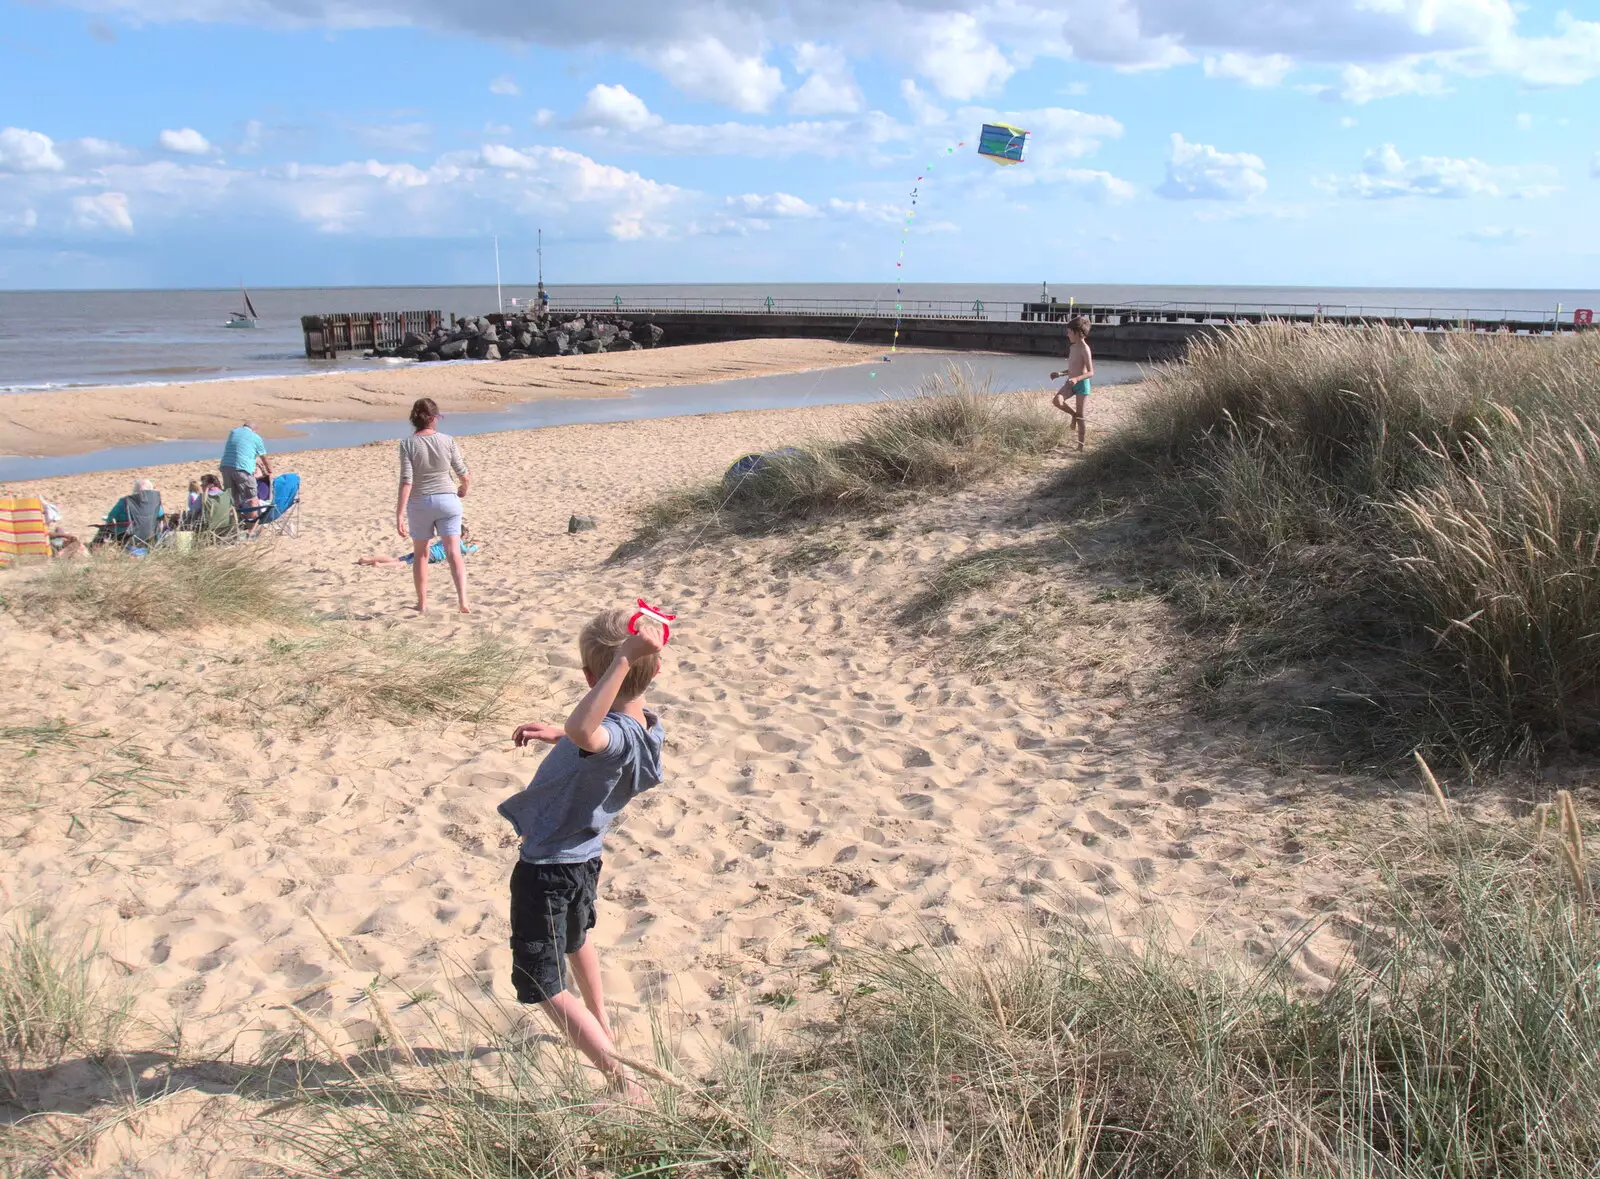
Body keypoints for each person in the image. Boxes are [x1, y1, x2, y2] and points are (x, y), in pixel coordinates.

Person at [498, 608, 667, 1099]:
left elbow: (586, 732)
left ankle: (622, 1080)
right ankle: (602, 1023)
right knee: (576, 939)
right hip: (584, 860)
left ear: (592, 678)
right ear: (656, 671)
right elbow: (589, 737)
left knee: (540, 977)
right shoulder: (646, 727)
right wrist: (562, 736)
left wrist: (617, 664)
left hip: (548, 869)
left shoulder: (602, 736)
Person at [396, 397, 471, 613]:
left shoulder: (408, 444)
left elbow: (407, 481)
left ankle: (422, 603)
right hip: (448, 500)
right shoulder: (447, 440)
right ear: (435, 417)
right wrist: (463, 488)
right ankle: (463, 601)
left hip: (420, 502)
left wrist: (399, 514)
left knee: (421, 553)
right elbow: (462, 472)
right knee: (454, 552)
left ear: (414, 419)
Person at [1049, 315, 1095, 452]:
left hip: (1082, 384)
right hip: (1070, 382)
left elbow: (1091, 372)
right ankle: (1073, 415)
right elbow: (1071, 369)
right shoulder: (1073, 348)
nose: (1067, 334)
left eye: (1069, 332)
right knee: (1057, 400)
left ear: (1077, 332)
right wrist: (1060, 374)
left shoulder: (1085, 349)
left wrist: (1077, 379)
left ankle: (1080, 446)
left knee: (1081, 416)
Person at [357, 525, 477, 566]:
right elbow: (466, 551)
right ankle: (380, 565)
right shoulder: (458, 542)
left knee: (397, 558)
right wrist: (475, 546)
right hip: (432, 555)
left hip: (427, 549)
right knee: (404, 563)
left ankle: (368, 559)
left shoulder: (445, 538)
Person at [220, 422, 271, 512]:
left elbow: (239, 449)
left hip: (225, 467)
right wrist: (269, 471)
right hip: (243, 469)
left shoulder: (233, 432)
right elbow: (264, 458)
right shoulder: (256, 437)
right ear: (254, 430)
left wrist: (254, 459)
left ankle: (236, 520)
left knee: (233, 497)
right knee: (251, 498)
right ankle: (251, 524)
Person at [100, 479, 164, 547]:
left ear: (134, 490)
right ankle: (157, 544)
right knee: (160, 522)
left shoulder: (125, 502)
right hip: (151, 540)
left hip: (129, 539)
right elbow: (161, 517)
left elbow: (111, 517)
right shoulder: (155, 504)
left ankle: (94, 548)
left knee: (105, 528)